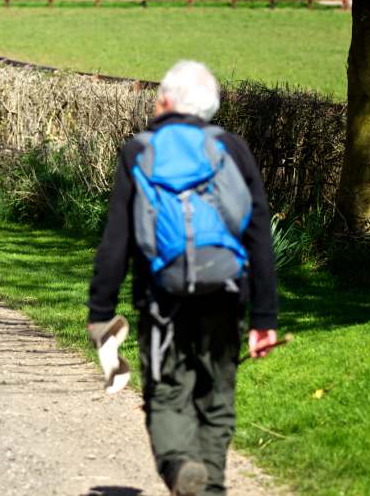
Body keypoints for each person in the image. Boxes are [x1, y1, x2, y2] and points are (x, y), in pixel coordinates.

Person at [87, 60, 279, 496]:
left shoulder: (140, 151)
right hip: (226, 294)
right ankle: (210, 488)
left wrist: (101, 311)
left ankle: (179, 466)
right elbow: (258, 234)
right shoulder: (233, 149)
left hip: (163, 299)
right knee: (215, 397)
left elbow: (117, 240)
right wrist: (264, 317)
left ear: (168, 101)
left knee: (167, 392)